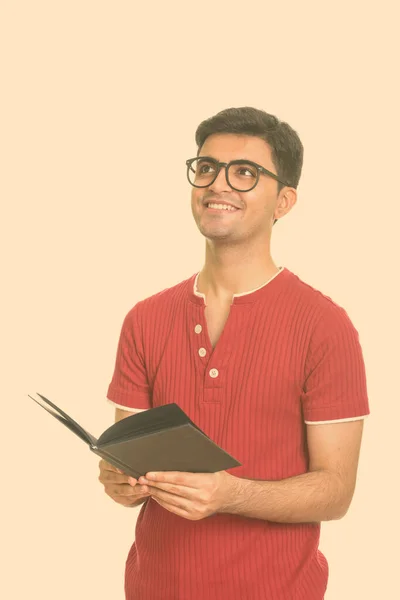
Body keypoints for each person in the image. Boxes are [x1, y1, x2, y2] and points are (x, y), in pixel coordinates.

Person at [98, 107, 370, 600]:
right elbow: (130, 463)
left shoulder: (325, 326)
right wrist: (120, 482)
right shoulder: (144, 318)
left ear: (283, 201)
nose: (218, 184)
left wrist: (232, 495)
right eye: (206, 168)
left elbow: (336, 492)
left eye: (245, 173)